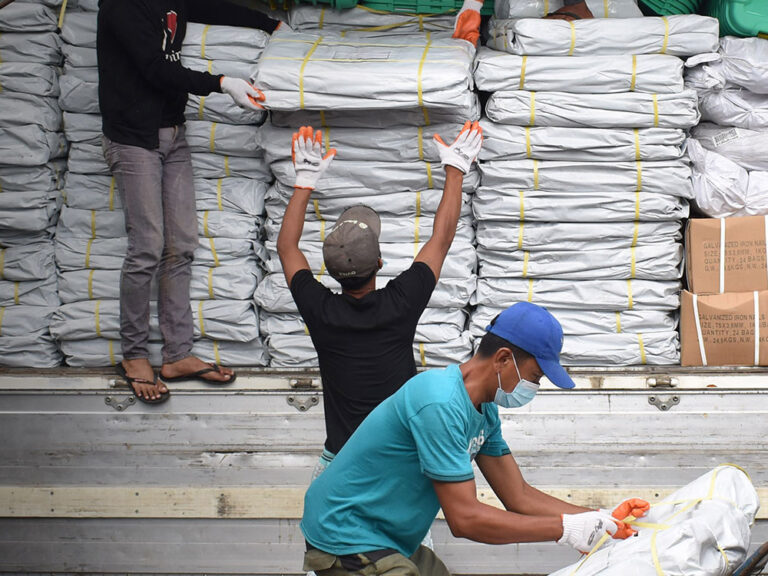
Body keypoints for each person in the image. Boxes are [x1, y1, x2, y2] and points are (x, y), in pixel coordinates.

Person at [300, 302, 650, 574]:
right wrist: (565, 529)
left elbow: (519, 495)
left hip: (385, 536)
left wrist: (599, 520)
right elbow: (465, 519)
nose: (535, 387)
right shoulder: (439, 402)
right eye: (534, 376)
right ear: (503, 359)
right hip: (344, 533)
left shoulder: (484, 409)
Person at [97, 0, 280, 404]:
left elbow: (208, 7)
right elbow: (155, 69)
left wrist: (270, 25)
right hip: (133, 138)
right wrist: (221, 83)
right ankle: (134, 355)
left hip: (171, 133)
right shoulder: (119, 7)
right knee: (146, 247)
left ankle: (177, 354)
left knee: (180, 246)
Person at [277, 122, 484, 477]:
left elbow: (286, 248)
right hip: (397, 464)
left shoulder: (321, 311)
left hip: (340, 466)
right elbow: (442, 239)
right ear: (379, 264)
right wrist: (455, 171)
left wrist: (304, 183)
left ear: (328, 270)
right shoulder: (401, 303)